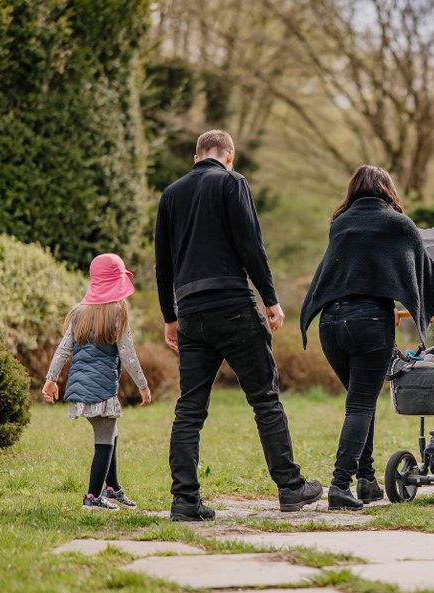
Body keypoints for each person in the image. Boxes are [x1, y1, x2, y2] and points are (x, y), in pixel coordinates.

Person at [156, 129, 322, 520]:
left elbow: (163, 263)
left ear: (197, 156)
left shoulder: (171, 195)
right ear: (229, 155)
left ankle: (184, 500)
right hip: (233, 305)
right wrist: (271, 299)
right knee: (265, 399)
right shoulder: (233, 183)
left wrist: (170, 317)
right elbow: (251, 245)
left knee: (189, 410)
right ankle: (291, 488)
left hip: (191, 313)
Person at [300, 165, 434, 510]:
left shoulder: (340, 225)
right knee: (361, 405)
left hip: (331, 325)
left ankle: (366, 480)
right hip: (369, 322)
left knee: (358, 401)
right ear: (388, 189)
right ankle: (340, 485)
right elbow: (425, 273)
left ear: (354, 190)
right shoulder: (399, 224)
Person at [42, 253, 151, 511]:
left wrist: (50, 380)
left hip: (80, 389)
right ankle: (92, 497)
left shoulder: (80, 312)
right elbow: (128, 354)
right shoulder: (118, 312)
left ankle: (112, 488)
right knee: (104, 442)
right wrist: (143, 386)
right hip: (101, 391)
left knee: (111, 433)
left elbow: (62, 349)